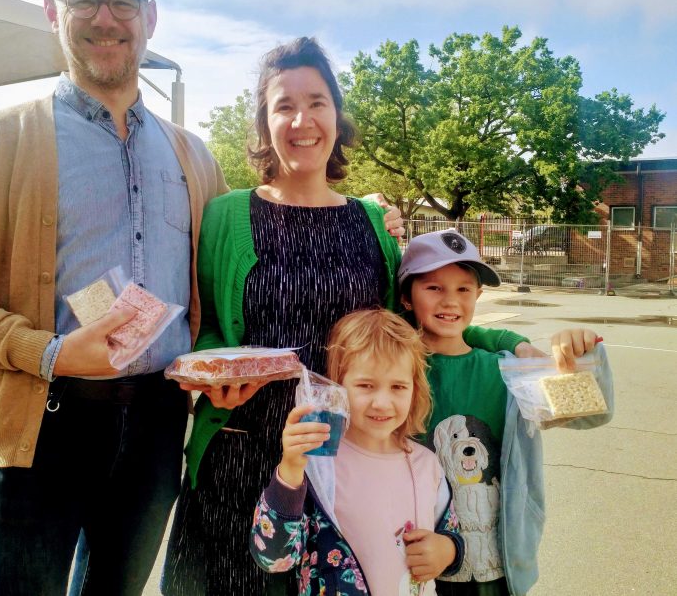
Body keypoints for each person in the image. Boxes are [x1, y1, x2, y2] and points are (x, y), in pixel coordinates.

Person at [0, 0, 230, 595]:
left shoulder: (194, 157)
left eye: (122, 2)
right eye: (84, 0)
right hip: (38, 422)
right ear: (53, 12)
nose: (104, 19)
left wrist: (359, 209)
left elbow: (222, 281)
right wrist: (47, 351)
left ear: (150, 17)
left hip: (158, 425)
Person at [161, 37, 530, 596]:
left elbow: (411, 328)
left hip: (349, 465)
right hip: (244, 460)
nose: (301, 119)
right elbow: (208, 325)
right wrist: (214, 381)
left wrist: (503, 339)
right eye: (283, 105)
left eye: (316, 102)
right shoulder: (226, 216)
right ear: (264, 121)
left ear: (336, 117)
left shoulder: (372, 226)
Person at [398, 228, 614, 596]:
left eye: (464, 289)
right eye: (434, 288)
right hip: (411, 557)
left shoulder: (505, 371)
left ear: (479, 295)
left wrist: (577, 357)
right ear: (406, 298)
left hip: (494, 562)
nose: (450, 301)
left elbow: (589, 415)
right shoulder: (392, 372)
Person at [250, 308, 463, 596]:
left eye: (398, 386)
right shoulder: (318, 465)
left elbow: (451, 531)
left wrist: (447, 551)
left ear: (416, 389)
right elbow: (274, 558)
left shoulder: (427, 464)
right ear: (337, 386)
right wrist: (290, 468)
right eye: (366, 385)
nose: (382, 403)